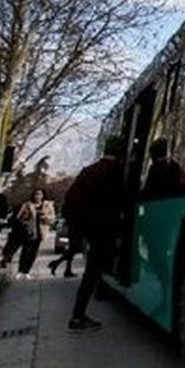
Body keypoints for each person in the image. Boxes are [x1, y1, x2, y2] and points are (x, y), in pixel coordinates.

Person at [61, 136, 128, 331]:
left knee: (92, 272)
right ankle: (77, 316)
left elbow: (71, 200)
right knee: (92, 273)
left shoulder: (90, 170)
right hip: (101, 230)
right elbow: (120, 200)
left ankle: (78, 315)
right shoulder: (114, 171)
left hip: (88, 228)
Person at [14, 189, 48, 279]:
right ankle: (20, 270)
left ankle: (27, 271)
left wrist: (44, 216)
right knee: (25, 251)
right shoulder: (27, 205)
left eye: (40, 194)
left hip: (40, 232)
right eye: (36, 194)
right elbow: (19, 217)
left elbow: (51, 218)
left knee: (33, 252)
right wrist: (25, 222)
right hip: (29, 231)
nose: (38, 196)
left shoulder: (47, 205)